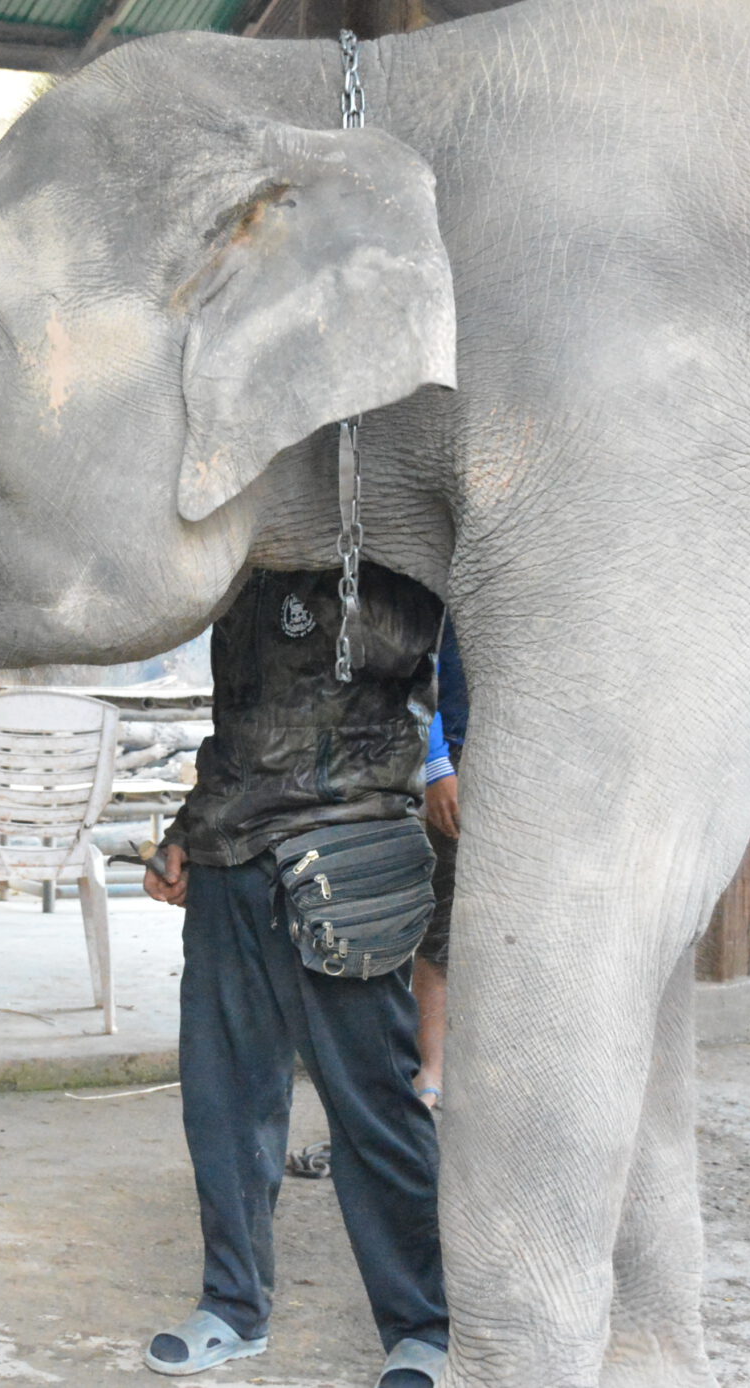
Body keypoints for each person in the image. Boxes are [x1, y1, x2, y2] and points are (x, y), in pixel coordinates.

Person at [141, 564, 452, 1388]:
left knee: (373, 1101)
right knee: (225, 1098)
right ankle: (232, 1306)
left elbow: (416, 662)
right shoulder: (242, 566)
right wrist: (186, 831)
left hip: (344, 850)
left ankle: (425, 1327)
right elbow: (239, 725)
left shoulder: (384, 540)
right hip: (231, 857)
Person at [411, 623, 466, 1110]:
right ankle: (432, 1066)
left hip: (540, 759)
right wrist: (436, 762)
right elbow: (418, 662)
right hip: (458, 757)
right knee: (442, 921)